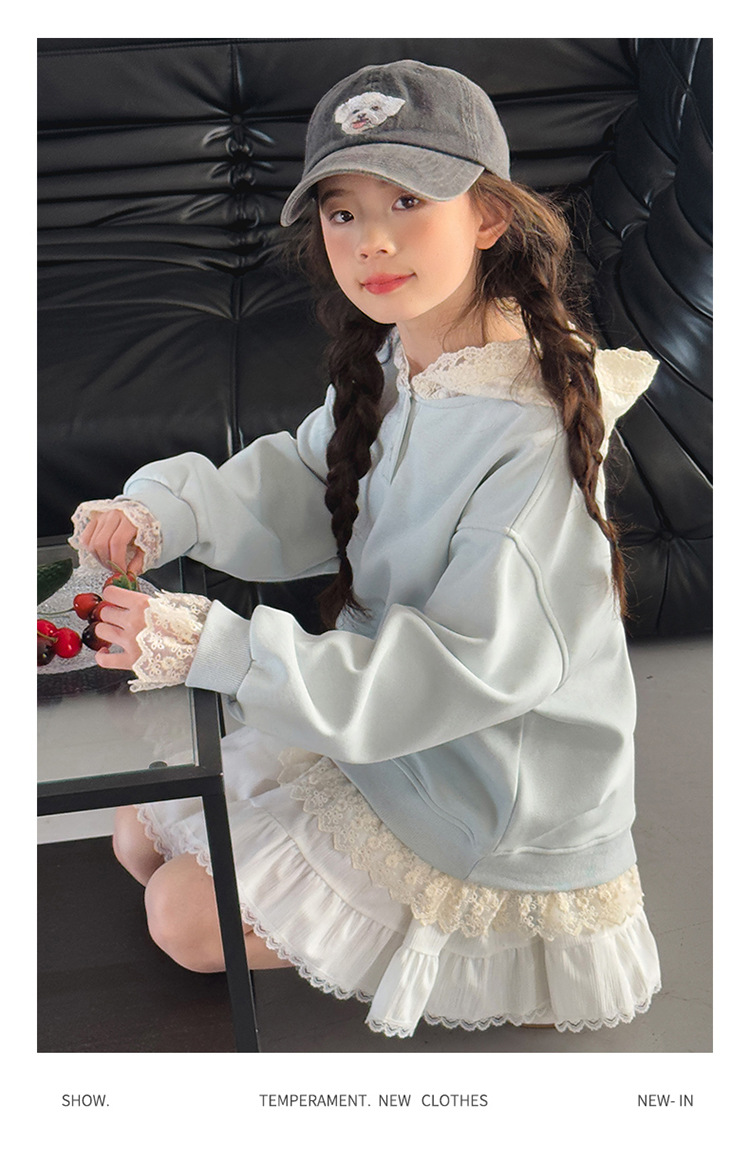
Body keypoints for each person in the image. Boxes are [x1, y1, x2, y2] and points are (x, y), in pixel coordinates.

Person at [69, 60, 662, 1038]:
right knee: (135, 834)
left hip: (480, 781)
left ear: (488, 215)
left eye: (408, 201)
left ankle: (488, 959)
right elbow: (316, 474)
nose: (371, 240)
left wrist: (222, 645)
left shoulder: (532, 436)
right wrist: (170, 510)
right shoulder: (409, 350)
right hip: (382, 719)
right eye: (342, 212)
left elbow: (465, 669)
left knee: (178, 914)